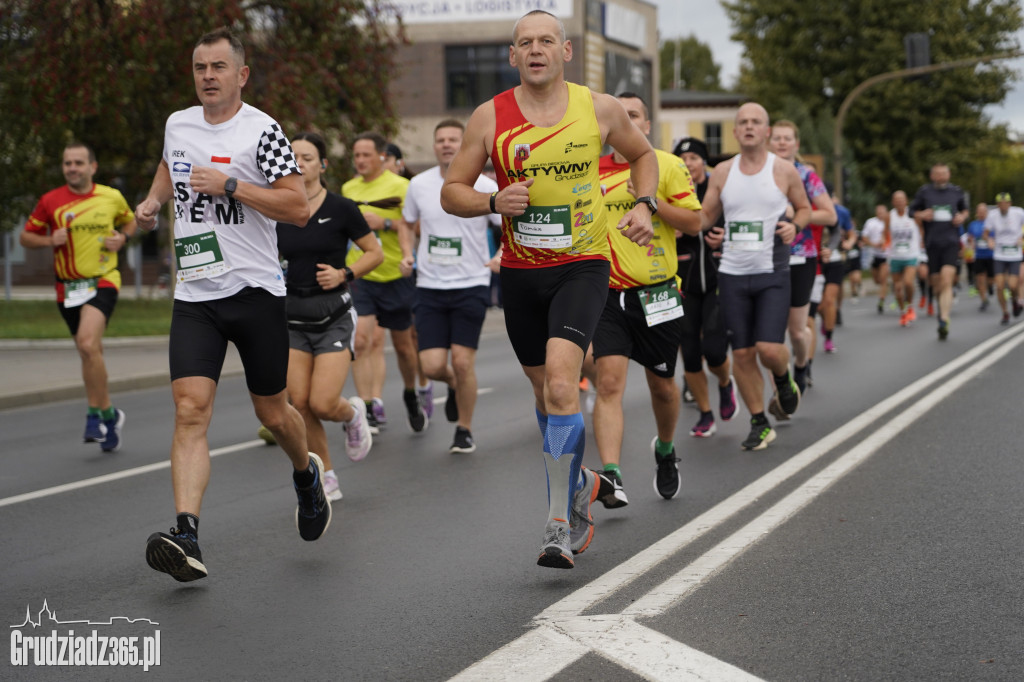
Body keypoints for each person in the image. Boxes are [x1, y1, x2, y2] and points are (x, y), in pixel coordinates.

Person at [440, 10, 658, 569]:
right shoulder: (489, 117)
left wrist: (642, 203)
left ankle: (558, 521)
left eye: (546, 41)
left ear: (565, 50)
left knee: (564, 386)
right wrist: (493, 202)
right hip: (521, 272)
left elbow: (643, 156)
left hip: (583, 264)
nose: (535, 49)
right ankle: (583, 481)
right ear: (513, 57)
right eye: (524, 43)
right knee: (547, 399)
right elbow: (452, 192)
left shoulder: (600, 108)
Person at [134, 28, 329, 582]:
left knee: (274, 412)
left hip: (255, 292)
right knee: (190, 409)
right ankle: (187, 533)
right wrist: (152, 201)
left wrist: (231, 185)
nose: (208, 77)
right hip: (196, 294)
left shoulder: (262, 131)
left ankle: (305, 473)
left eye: (219, 67)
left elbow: (296, 208)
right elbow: (172, 166)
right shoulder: (178, 122)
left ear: (241, 75)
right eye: (200, 68)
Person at [590, 92, 701, 508]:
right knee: (610, 383)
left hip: (657, 294)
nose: (625, 121)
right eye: (618, 115)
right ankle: (612, 476)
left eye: (633, 115)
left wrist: (651, 200)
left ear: (647, 125)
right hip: (607, 292)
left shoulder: (666, 165)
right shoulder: (591, 168)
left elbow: (695, 222)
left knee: (664, 388)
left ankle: (667, 449)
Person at [697, 102, 810, 451]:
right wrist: (709, 232)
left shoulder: (784, 170)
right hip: (731, 274)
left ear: (766, 131)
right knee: (743, 355)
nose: (748, 127)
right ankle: (760, 421)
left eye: (755, 122)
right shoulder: (722, 172)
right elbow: (705, 218)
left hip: (771, 272)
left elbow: (805, 209)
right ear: (735, 132)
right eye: (742, 122)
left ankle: (783, 377)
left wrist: (795, 225)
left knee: (769, 349)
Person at [276, 132, 382, 500]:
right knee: (299, 403)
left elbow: (374, 253)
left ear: (321, 165)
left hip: (333, 314)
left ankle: (352, 415)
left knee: (322, 402)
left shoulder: (341, 208)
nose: (299, 163)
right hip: (292, 317)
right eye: (293, 157)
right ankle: (327, 474)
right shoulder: (276, 209)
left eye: (307, 157)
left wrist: (344, 274)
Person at [21, 142, 137, 452]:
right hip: (67, 288)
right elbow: (25, 236)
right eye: (67, 163)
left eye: (78, 163)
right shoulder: (51, 201)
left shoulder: (110, 197)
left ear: (92, 167)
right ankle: (110, 415)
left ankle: (92, 416)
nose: (72, 168)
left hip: (103, 280)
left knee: (87, 343)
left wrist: (122, 237)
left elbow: (131, 219)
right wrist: (49, 240)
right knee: (89, 352)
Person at [403, 119, 501, 454]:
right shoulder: (418, 184)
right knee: (431, 366)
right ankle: (457, 387)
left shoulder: (485, 186)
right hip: (430, 285)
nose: (446, 144)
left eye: (453, 139)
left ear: (465, 144)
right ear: (434, 146)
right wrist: (407, 254)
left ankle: (464, 429)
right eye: (440, 140)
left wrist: (500, 255)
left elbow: (510, 224)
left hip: (471, 282)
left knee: (462, 360)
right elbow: (407, 223)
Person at [343, 132, 428, 434]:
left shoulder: (402, 186)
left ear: (381, 156)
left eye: (367, 155)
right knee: (362, 339)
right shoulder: (348, 188)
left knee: (405, 347)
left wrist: (387, 225)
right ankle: (368, 406)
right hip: (361, 274)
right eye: (356, 156)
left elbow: (415, 226)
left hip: (395, 274)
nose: (361, 161)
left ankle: (410, 393)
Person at [672, 137, 736, 440]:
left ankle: (725, 383)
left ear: (703, 161)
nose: (688, 163)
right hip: (683, 281)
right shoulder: (670, 192)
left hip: (717, 278)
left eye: (694, 157)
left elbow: (741, 220)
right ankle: (705, 413)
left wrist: (725, 237)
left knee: (713, 349)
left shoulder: (719, 188)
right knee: (691, 352)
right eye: (682, 158)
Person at [768, 120, 836, 393]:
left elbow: (829, 215)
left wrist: (796, 215)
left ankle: (801, 362)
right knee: (771, 332)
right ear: (768, 141)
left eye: (788, 139)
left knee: (796, 330)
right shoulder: (758, 174)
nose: (782, 143)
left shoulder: (807, 176)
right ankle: (780, 393)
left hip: (800, 257)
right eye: (777, 138)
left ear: (796, 144)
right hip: (766, 257)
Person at [910, 163, 969, 340]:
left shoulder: (956, 192)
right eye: (938, 174)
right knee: (936, 283)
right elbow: (911, 211)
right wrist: (922, 215)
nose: (941, 177)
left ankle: (944, 318)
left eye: (944, 173)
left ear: (949, 174)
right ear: (932, 176)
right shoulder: (924, 192)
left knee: (946, 279)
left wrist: (962, 217)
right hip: (932, 243)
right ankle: (940, 308)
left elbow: (965, 210)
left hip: (951, 242)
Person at [817, 187, 856, 353]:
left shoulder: (841, 212)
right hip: (815, 261)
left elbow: (851, 233)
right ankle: (827, 321)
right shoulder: (807, 209)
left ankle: (829, 337)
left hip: (835, 260)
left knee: (828, 300)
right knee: (817, 305)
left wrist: (849, 243)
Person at [983, 192, 1024, 324]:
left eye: (1005, 203)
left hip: (1015, 253)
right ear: (997, 205)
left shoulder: (1018, 213)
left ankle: (1014, 302)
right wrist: (989, 240)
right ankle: (1005, 312)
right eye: (1000, 204)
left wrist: (1021, 238)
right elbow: (986, 233)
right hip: (999, 254)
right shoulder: (992, 215)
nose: (1003, 206)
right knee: (999, 286)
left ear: (1010, 203)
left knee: (1012, 285)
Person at [884, 190, 921, 327]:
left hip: (911, 254)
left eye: (902, 199)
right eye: (896, 200)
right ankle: (903, 312)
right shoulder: (890, 216)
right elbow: (885, 233)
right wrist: (885, 244)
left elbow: (921, 229)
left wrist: (921, 244)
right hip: (895, 256)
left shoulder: (912, 215)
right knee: (898, 288)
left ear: (906, 201)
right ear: (893, 202)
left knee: (908, 283)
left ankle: (910, 305)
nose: (899, 202)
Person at [860, 204, 890, 314]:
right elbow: (864, 237)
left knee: (883, 279)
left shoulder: (889, 223)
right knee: (876, 280)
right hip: (874, 255)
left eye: (883, 212)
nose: (881, 214)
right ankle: (885, 286)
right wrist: (873, 244)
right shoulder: (870, 222)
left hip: (886, 256)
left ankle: (881, 301)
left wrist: (885, 244)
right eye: (879, 212)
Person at [966, 202, 993, 312]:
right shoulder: (973, 225)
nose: (981, 214)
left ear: (987, 212)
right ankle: (983, 300)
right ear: (977, 213)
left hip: (991, 255)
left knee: (991, 279)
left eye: (983, 212)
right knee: (979, 280)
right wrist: (970, 243)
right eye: (979, 212)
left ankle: (990, 286)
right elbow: (970, 238)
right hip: (979, 255)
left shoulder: (991, 224)